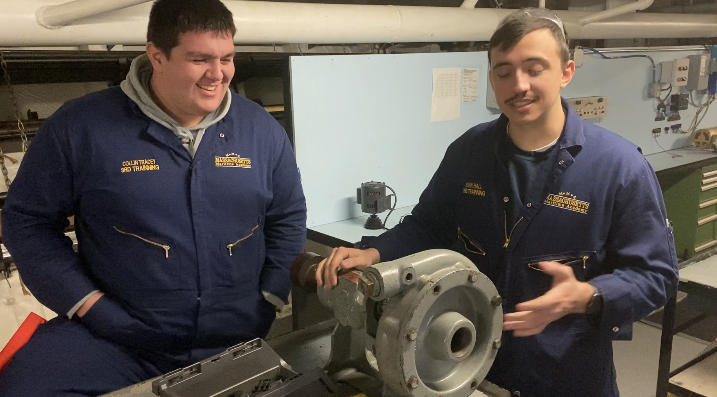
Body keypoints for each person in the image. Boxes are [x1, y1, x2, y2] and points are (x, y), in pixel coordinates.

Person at [316, 8, 678, 397]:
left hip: (565, 375)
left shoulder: (619, 167)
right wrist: (374, 252)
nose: (518, 84)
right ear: (492, 78)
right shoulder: (469, 151)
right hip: (466, 368)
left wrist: (589, 296)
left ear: (566, 72)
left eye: (534, 68)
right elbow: (429, 224)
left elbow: (657, 276)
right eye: (504, 71)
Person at [0, 0, 306, 395]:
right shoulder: (81, 127)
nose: (218, 74)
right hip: (121, 336)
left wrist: (272, 292)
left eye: (227, 58)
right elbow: (28, 222)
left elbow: (288, 214)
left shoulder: (261, 131)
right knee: (23, 389)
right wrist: (88, 304)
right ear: (156, 55)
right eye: (200, 59)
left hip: (235, 332)